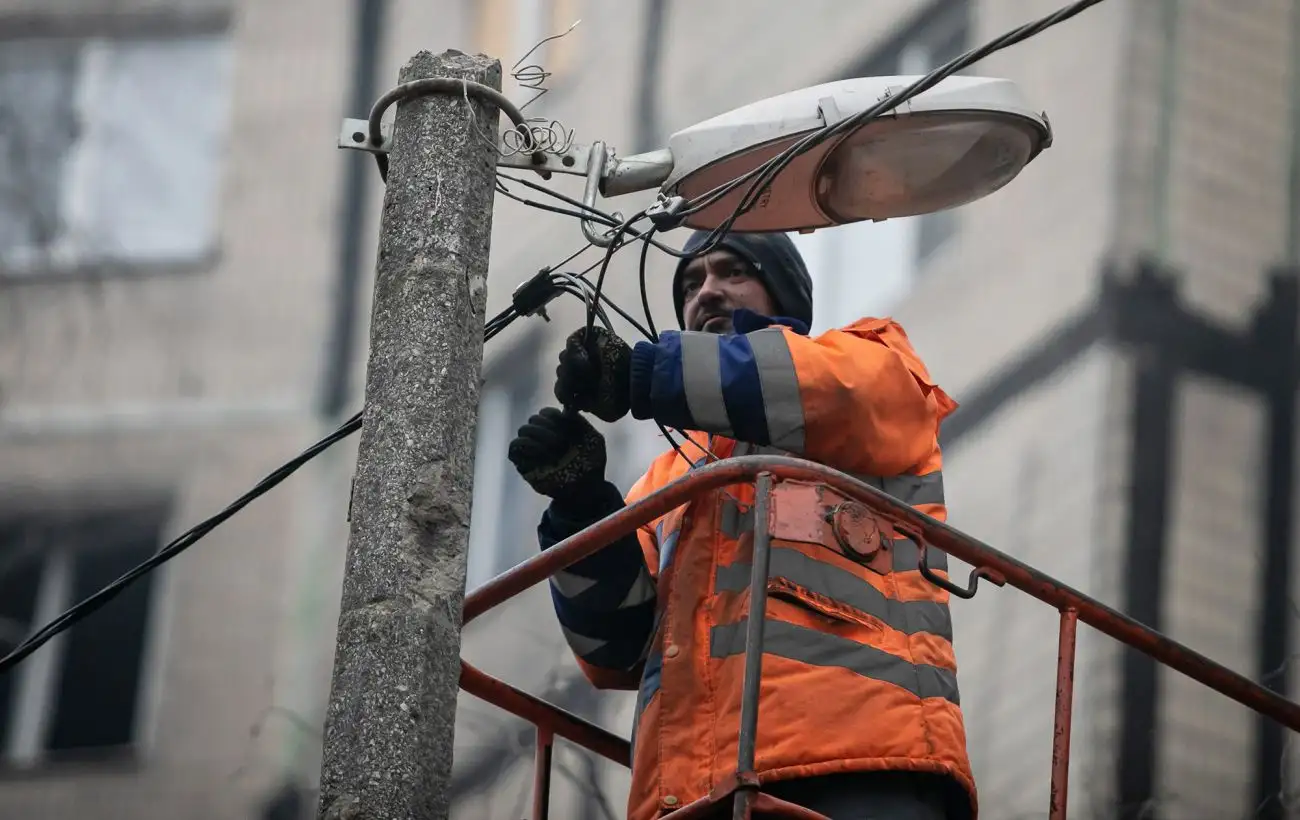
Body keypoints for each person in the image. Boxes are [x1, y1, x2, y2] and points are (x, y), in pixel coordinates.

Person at [507, 229, 976, 820]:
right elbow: (615, 650)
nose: (707, 292)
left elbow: (811, 387)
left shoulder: (874, 362)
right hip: (697, 791)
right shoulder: (669, 478)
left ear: (783, 300)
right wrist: (581, 507)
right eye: (692, 282)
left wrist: (647, 375)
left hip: (866, 765)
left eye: (733, 271)